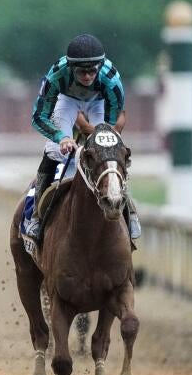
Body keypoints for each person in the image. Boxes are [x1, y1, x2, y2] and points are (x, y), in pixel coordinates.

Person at [28, 33, 139, 241]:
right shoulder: (55, 76)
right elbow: (38, 116)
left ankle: (129, 209)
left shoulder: (112, 81)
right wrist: (61, 137)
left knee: (109, 152)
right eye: (81, 72)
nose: (87, 77)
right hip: (66, 100)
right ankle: (36, 216)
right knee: (54, 150)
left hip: (98, 102)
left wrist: (100, 137)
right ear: (71, 68)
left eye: (92, 71)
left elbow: (112, 124)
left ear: (99, 67)